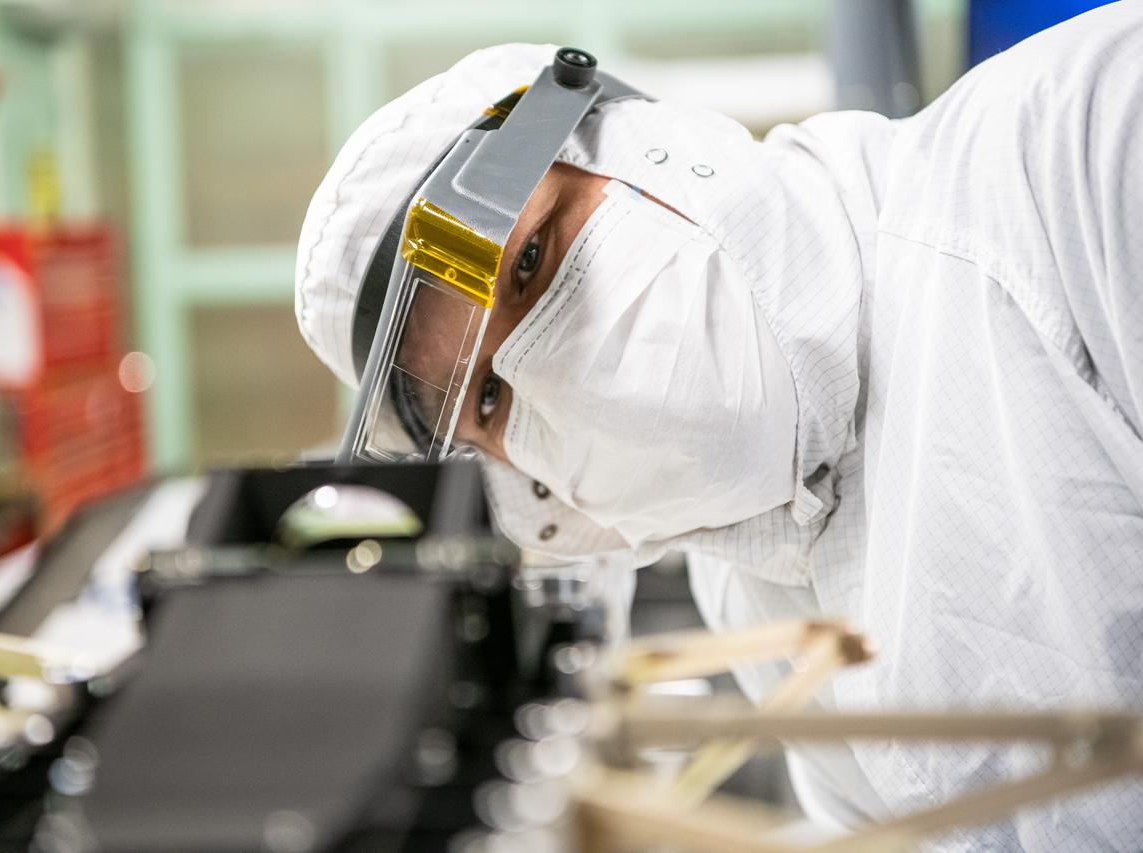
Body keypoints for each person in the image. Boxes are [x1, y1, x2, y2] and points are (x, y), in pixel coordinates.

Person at [294, 3, 1143, 849]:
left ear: (646, 145)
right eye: (486, 400)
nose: (546, 376)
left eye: (529, 263)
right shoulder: (751, 588)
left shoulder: (1081, 145)